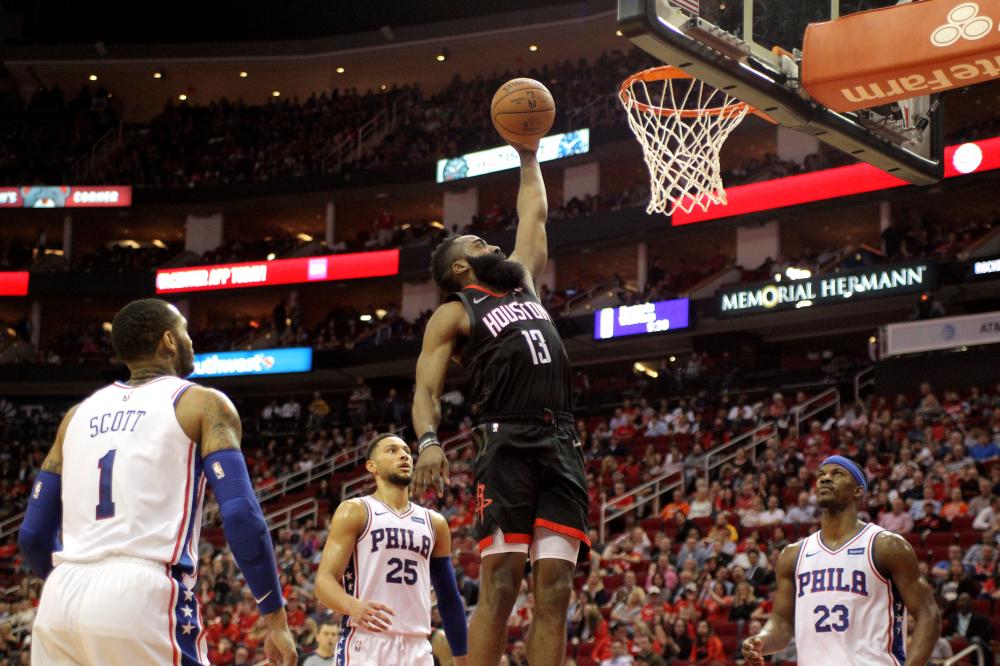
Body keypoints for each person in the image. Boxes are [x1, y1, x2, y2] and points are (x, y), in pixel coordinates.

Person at [19, 298, 296, 665]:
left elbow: (33, 535)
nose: (190, 340)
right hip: (140, 594)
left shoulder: (75, 417)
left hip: (60, 598)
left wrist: (74, 581)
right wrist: (275, 618)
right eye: (184, 330)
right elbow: (242, 515)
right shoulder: (202, 404)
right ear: (168, 340)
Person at [412, 139, 589, 666]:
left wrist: (529, 155)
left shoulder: (525, 285)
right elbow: (425, 389)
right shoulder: (455, 312)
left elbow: (533, 213)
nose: (491, 245)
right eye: (478, 244)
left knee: (556, 588)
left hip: (561, 439)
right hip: (506, 440)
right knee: (503, 582)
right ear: (461, 270)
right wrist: (427, 441)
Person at [742, 456, 941, 665]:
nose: (825, 479)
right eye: (821, 475)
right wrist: (761, 640)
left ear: (858, 491)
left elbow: (929, 615)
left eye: (837, 474)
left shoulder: (886, 546)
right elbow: (782, 624)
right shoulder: (792, 554)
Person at [313, 433, 468, 666]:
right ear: (371, 466)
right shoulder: (355, 510)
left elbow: (448, 597)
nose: (404, 455)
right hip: (366, 643)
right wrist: (352, 605)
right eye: (392, 451)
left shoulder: (435, 522)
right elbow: (323, 582)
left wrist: (462, 658)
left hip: (418, 647)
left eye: (406, 451)